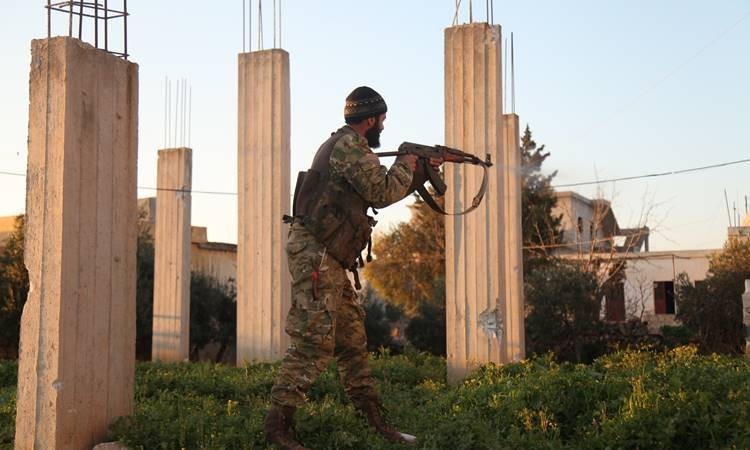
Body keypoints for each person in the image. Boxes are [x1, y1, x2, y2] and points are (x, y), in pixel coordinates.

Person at [265, 86, 440, 449]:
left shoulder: (345, 146)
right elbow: (382, 193)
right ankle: (278, 430)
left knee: (351, 341)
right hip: (317, 255)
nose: (383, 128)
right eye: (382, 120)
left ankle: (374, 422)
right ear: (371, 120)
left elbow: (380, 189)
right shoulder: (350, 147)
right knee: (313, 342)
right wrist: (408, 164)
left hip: (327, 256)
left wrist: (418, 170)